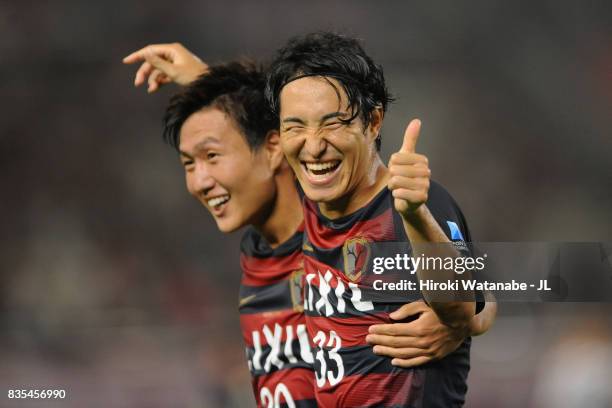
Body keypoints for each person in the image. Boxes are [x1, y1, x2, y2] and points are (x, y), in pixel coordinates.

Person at [123, 42, 496, 407]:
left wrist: (463, 316)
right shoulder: (284, 232)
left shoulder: (374, 208)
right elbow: (272, 122)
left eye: (212, 156)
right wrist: (203, 80)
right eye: (190, 163)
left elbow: (477, 292)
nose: (201, 180)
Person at [265, 32, 489, 406]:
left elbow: (460, 305)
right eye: (296, 126)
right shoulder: (306, 204)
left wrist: (415, 215)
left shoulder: (419, 204)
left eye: (333, 123)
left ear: (372, 121)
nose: (314, 144)